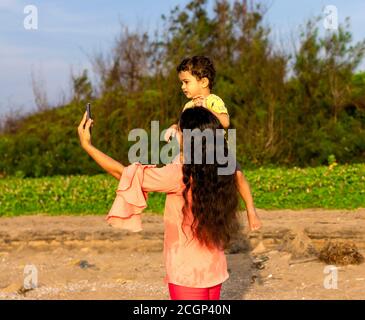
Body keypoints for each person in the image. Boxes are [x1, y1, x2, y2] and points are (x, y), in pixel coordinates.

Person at [78, 107, 242, 300]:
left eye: (179, 129)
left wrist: (87, 145)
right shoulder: (220, 166)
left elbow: (125, 175)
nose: (175, 131)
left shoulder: (179, 174)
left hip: (187, 274)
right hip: (214, 270)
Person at [165, 56, 262, 231]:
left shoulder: (213, 101)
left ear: (203, 81)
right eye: (182, 82)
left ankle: (250, 210)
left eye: (186, 82)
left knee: (238, 176)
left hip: (218, 152)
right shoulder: (187, 107)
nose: (182, 87)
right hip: (197, 156)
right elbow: (182, 127)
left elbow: (225, 122)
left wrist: (207, 109)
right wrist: (173, 128)